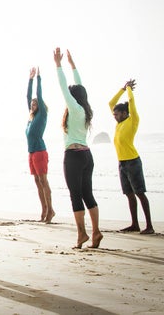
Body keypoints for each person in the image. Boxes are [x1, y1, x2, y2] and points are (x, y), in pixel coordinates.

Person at [54, 48, 102, 249]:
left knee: (76, 195)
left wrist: (58, 65)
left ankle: (82, 234)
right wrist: (73, 65)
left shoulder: (73, 108)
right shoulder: (84, 109)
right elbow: (79, 86)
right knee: (87, 194)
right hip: (87, 156)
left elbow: (64, 87)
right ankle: (96, 232)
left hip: (73, 156)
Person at [109, 79, 154, 235]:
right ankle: (135, 224)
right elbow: (111, 102)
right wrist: (121, 88)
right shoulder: (118, 123)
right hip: (122, 163)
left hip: (133, 162)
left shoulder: (132, 120)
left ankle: (149, 226)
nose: (114, 116)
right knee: (129, 195)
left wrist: (129, 89)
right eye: (113, 114)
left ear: (124, 113)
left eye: (116, 114)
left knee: (139, 193)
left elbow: (131, 100)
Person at [26, 67, 54, 223]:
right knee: (37, 182)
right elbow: (28, 96)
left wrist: (38, 78)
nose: (32, 105)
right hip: (31, 153)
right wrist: (29, 79)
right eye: (32, 104)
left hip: (40, 152)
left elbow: (38, 95)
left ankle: (50, 210)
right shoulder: (30, 117)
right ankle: (44, 209)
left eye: (35, 104)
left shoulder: (42, 115)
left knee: (44, 181)